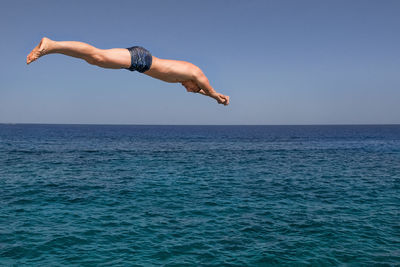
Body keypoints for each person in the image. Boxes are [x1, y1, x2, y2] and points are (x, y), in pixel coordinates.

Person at [26, 37, 229, 105]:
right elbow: (208, 89)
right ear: (196, 83)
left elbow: (205, 90)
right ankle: (51, 45)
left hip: (138, 63)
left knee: (94, 61)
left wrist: (213, 94)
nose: (187, 90)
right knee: (98, 56)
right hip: (142, 59)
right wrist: (217, 98)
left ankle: (53, 49)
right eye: (192, 89)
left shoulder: (187, 78)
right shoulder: (195, 73)